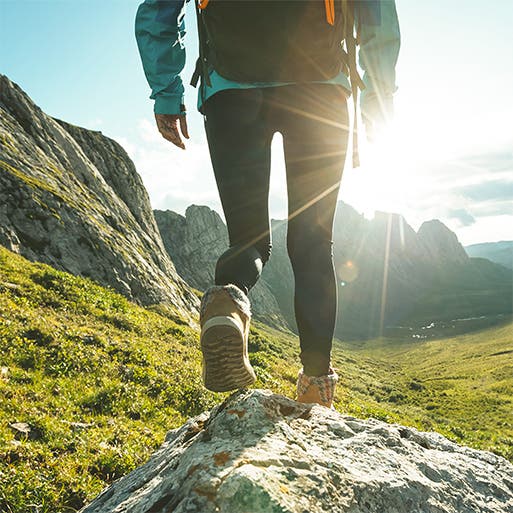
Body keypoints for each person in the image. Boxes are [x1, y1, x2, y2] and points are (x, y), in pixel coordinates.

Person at [135, 0, 400, 409]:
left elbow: (158, 10)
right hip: (320, 88)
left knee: (250, 240)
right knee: (312, 245)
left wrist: (166, 91)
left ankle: (229, 297)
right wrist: (378, 96)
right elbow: (376, 12)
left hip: (230, 91)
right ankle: (316, 388)